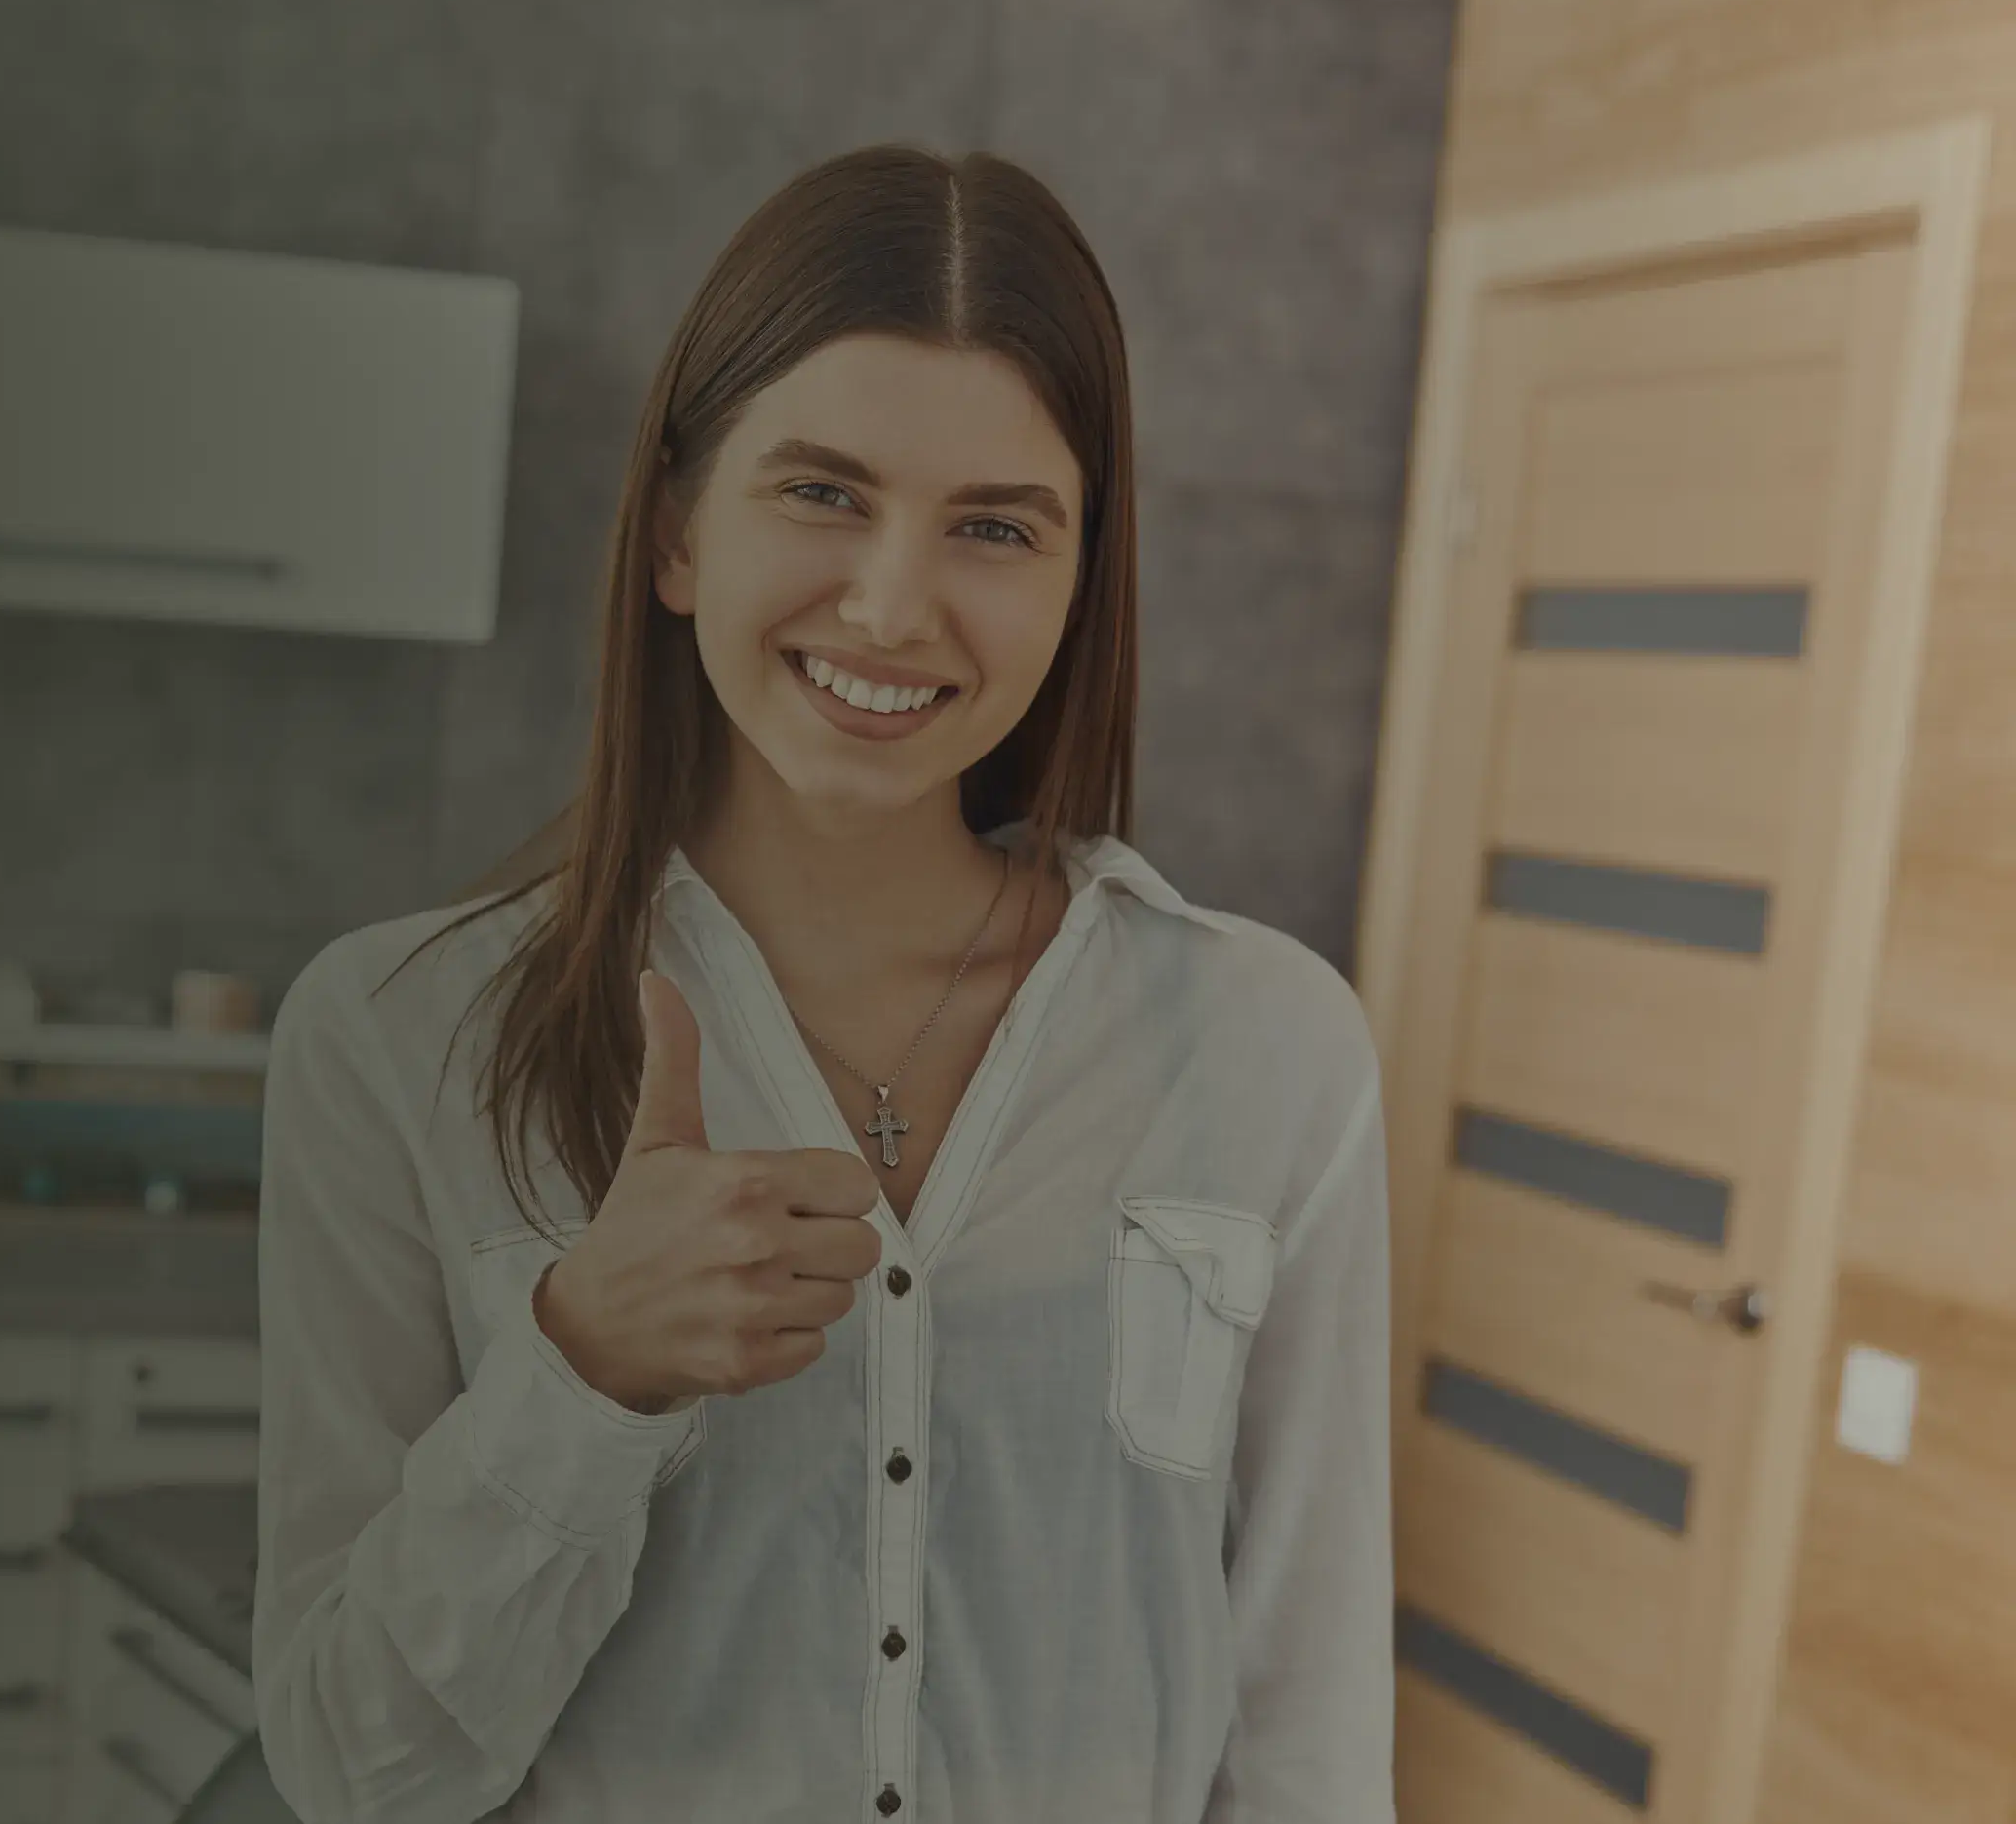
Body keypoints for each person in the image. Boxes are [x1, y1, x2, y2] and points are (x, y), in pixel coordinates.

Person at [252, 148, 1393, 1823]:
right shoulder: (394, 1041)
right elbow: (358, 1773)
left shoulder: (1271, 1052)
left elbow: (1308, 1737)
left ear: (1081, 587)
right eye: (822, 493)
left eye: (995, 527)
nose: (892, 602)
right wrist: (583, 1370)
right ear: (674, 535)